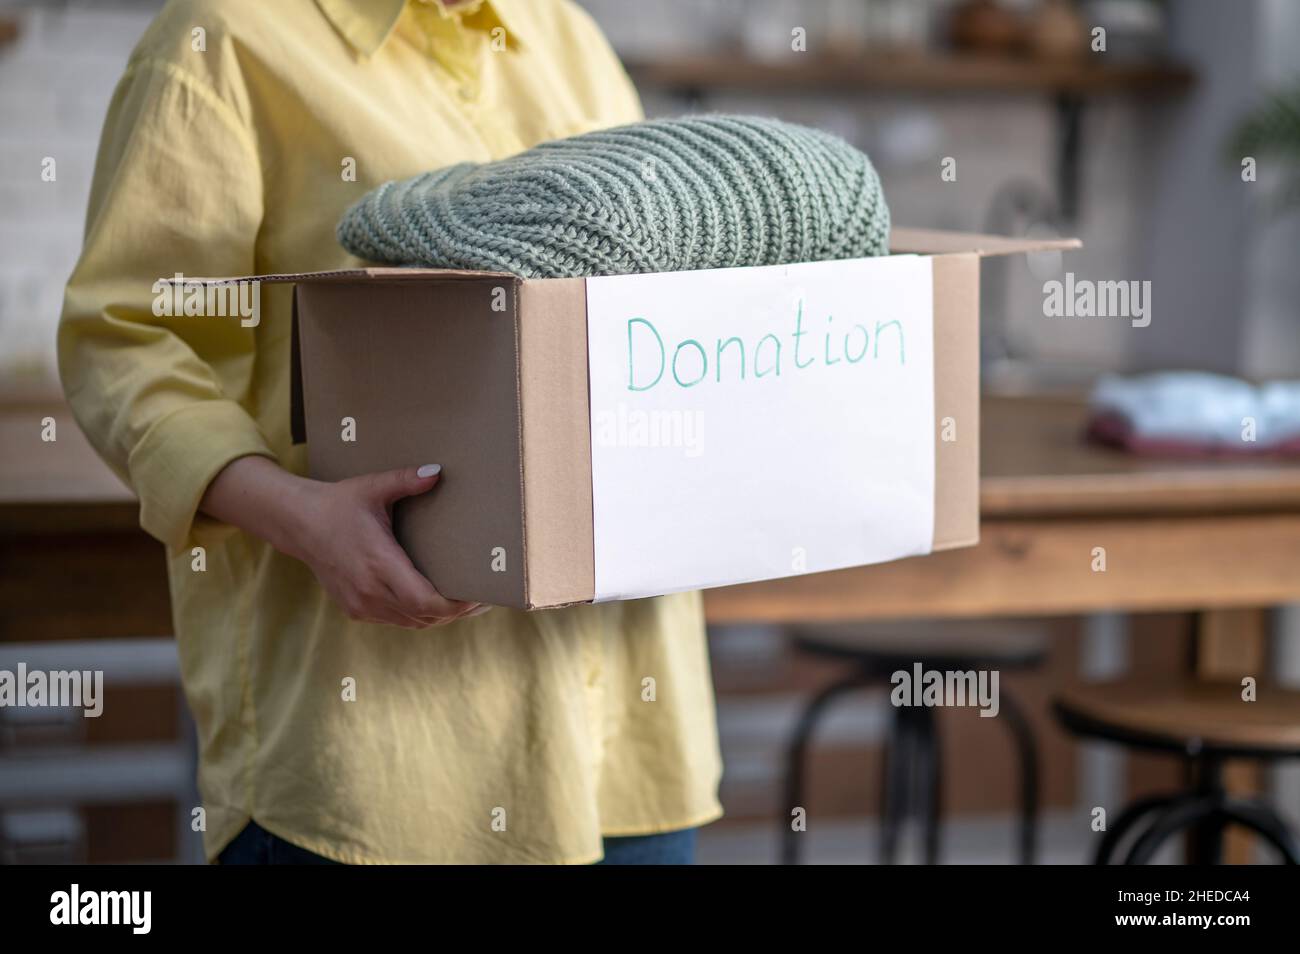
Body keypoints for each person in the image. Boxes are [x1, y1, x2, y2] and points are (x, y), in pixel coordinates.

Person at [59, 0, 722, 865]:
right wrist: (304, 516)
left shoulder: (568, 36)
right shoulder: (223, 42)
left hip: (632, 745)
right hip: (383, 772)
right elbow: (128, 339)